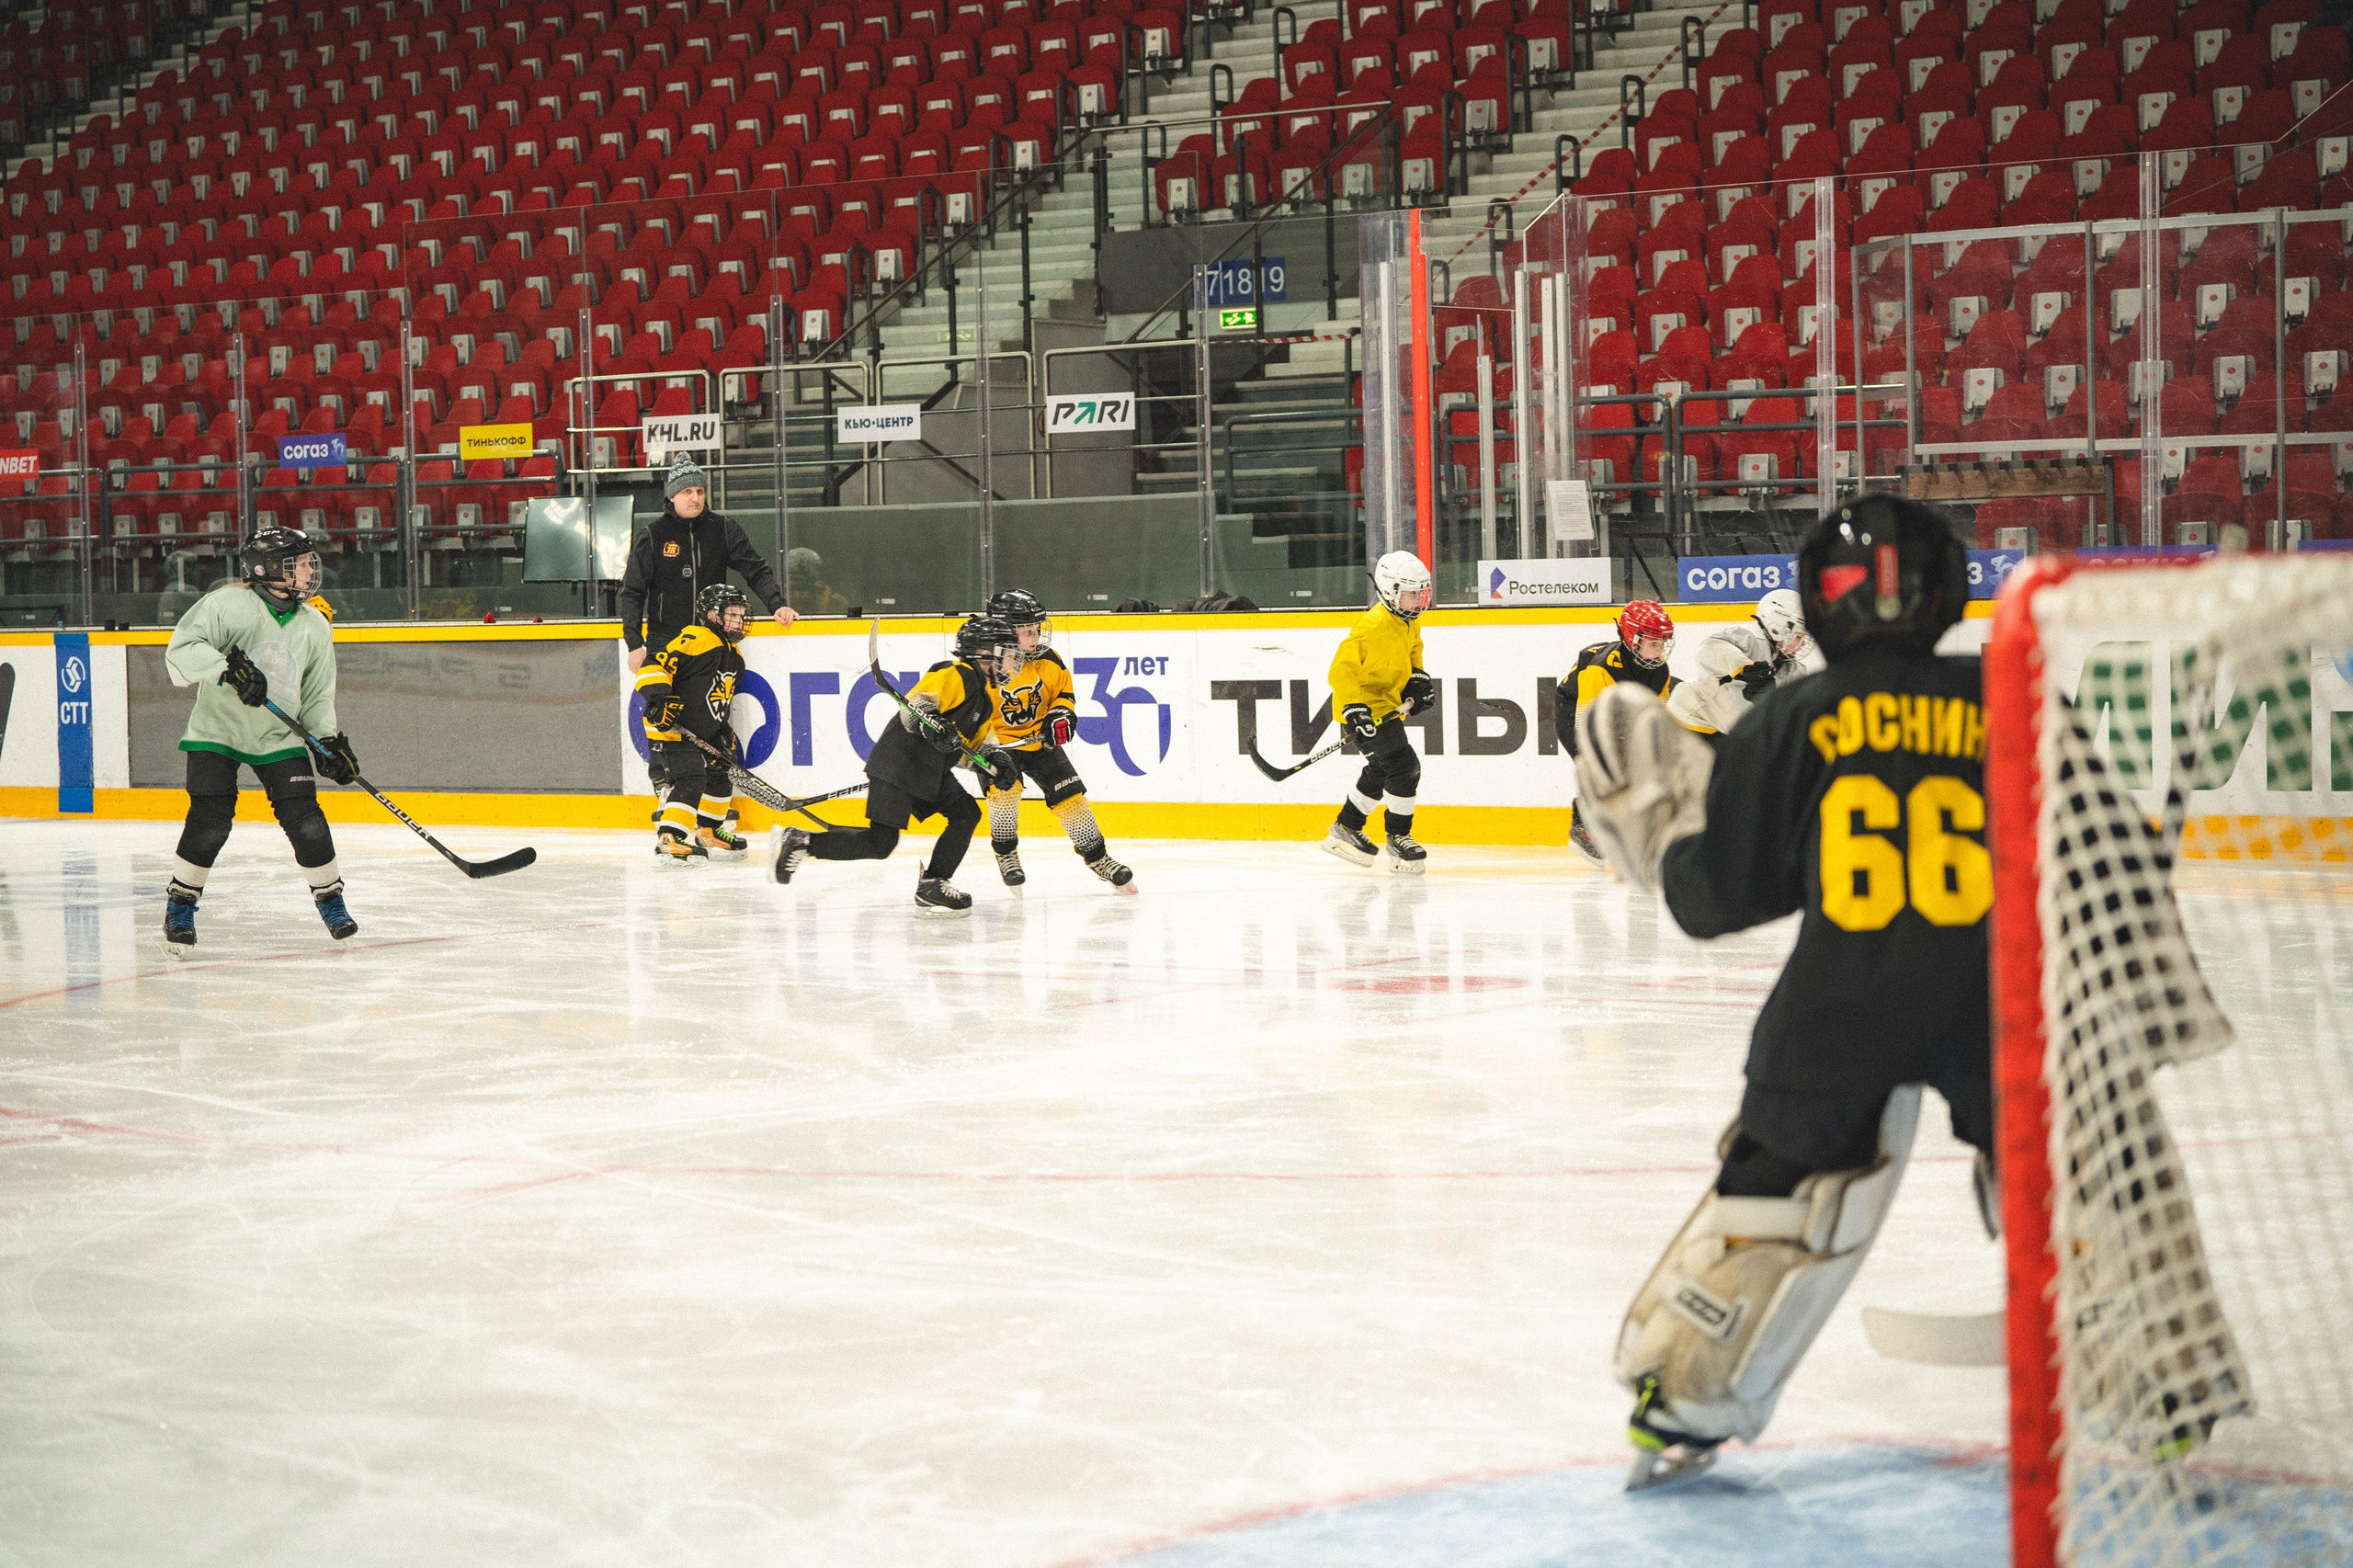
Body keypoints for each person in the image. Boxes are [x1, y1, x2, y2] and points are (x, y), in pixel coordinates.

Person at [1571, 497, 1988, 1491]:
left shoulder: (1799, 712)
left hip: (1842, 996)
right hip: (1999, 987)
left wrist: (1665, 840)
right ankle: (2155, 1368)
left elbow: (1715, 898)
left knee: (1775, 1193)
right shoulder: (2015, 696)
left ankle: (1682, 1398)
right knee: (2080, 1176)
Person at [160, 525, 362, 953]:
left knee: (306, 820)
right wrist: (226, 670)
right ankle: (181, 904)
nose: (310, 571)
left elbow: (316, 693)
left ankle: (331, 900)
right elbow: (181, 652)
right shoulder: (227, 604)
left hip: (277, 734)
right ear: (267, 568)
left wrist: (328, 743)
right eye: (300, 563)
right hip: (217, 732)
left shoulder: (315, 625)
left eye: (310, 563)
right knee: (211, 819)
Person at [772, 614, 1023, 916]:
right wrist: (934, 725)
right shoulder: (957, 673)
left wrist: (997, 761)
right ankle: (802, 841)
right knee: (881, 844)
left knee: (966, 814)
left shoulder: (983, 700)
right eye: (1007, 653)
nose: (1013, 661)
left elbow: (970, 750)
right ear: (984, 652)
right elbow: (915, 709)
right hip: (900, 764)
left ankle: (933, 883)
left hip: (930, 771)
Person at [978, 588, 1134, 891]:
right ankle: (1006, 854)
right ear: (1004, 632)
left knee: (1071, 798)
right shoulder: (985, 666)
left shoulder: (1049, 660)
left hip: (1040, 744)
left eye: (1035, 630)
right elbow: (974, 712)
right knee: (1005, 793)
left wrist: (1060, 716)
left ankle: (1098, 858)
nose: (1034, 638)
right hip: (1000, 747)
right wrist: (984, 742)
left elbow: (1063, 695)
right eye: (1025, 632)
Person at [618, 454, 799, 675]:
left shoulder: (723, 528)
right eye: (687, 491)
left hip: (711, 640)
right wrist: (635, 645)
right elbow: (632, 593)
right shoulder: (653, 535)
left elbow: (756, 571)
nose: (695, 498)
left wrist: (777, 604)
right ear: (672, 496)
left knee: (709, 708)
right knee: (665, 708)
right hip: (664, 643)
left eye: (700, 491)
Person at [1323, 551, 1434, 872]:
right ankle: (1399, 838)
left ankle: (1346, 827)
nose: (1420, 600)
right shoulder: (1371, 626)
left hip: (1387, 707)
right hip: (1366, 710)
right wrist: (1354, 708)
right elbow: (1341, 671)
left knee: (1383, 769)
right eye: (1413, 593)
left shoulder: (1407, 621)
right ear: (1390, 590)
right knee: (1404, 767)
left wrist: (1418, 678)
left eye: (1422, 592)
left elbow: (1414, 651)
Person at [636, 582, 753, 867]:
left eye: (741, 614)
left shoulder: (735, 658)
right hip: (672, 726)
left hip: (703, 731)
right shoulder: (697, 637)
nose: (739, 620)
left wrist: (721, 729)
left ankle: (708, 831)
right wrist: (661, 699)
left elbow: (717, 699)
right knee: (690, 778)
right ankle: (670, 837)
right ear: (713, 615)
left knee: (721, 773)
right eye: (732, 614)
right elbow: (653, 666)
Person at [1557, 599, 1681, 865]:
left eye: (1663, 643)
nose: (1660, 651)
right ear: (1633, 639)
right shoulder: (1600, 668)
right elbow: (1586, 724)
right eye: (1653, 643)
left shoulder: (1660, 671)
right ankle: (1583, 828)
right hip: (1574, 711)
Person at [1665, 588, 1822, 739]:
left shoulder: (1793, 669)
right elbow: (1709, 649)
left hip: (1729, 731)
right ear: (1778, 628)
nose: (1801, 645)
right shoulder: (1750, 638)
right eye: (1799, 637)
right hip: (1690, 719)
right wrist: (1745, 667)